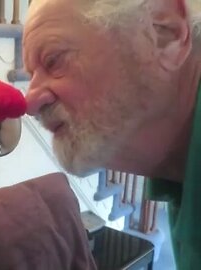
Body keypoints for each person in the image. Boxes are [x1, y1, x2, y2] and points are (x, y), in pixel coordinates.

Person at [23, 0, 201, 269]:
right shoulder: (180, 176)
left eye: (54, 60)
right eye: (31, 75)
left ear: (164, 30)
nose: (29, 103)